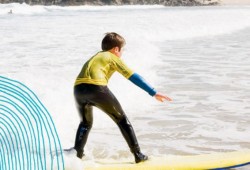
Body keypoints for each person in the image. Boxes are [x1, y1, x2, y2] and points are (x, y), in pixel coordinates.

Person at [73, 32, 172, 163]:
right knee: (122, 120)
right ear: (116, 49)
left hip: (78, 89)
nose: (122, 53)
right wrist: (153, 92)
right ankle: (138, 155)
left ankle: (76, 155)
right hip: (97, 88)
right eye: (122, 50)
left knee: (85, 123)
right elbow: (133, 76)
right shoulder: (112, 57)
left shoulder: (96, 56)